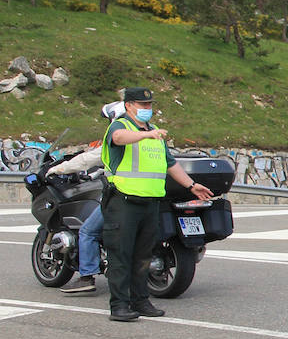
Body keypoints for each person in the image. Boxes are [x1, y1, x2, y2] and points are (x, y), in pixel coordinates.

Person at [101, 86, 213, 322]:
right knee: (121, 255)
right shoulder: (121, 126)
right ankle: (120, 305)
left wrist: (191, 186)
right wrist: (145, 135)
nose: (148, 109)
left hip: (150, 203)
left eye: (150, 105)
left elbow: (170, 164)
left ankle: (140, 301)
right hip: (124, 202)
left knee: (143, 255)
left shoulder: (154, 134)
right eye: (143, 105)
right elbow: (118, 139)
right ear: (129, 105)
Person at [53, 102, 124, 294]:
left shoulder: (117, 138)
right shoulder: (149, 138)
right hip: (149, 197)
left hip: (119, 197)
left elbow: (87, 159)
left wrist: (57, 169)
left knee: (88, 232)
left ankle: (86, 276)